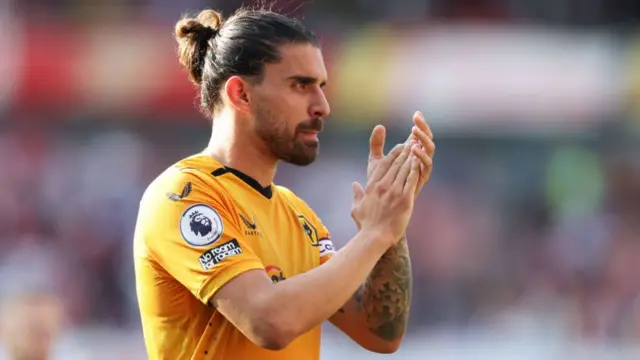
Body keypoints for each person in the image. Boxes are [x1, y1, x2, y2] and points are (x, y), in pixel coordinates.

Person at [133, 6, 436, 360]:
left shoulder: (297, 215)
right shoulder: (183, 196)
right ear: (241, 95)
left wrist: (393, 222)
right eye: (300, 86)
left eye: (321, 87)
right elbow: (269, 321)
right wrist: (374, 234)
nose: (322, 105)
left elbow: (379, 333)